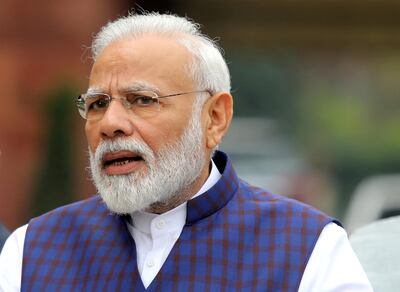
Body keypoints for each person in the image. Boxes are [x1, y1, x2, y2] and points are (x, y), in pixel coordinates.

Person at [0, 12, 372, 291]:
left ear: (214, 118)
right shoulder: (31, 250)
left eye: (141, 100)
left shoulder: (308, 250)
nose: (110, 123)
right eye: (97, 104)